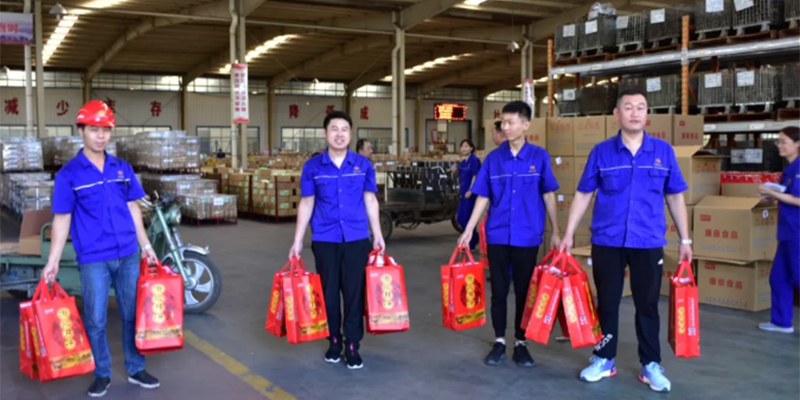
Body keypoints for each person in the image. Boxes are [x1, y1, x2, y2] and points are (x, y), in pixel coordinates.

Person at [558, 88, 691, 393]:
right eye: (628, 107)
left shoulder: (663, 151)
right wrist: (567, 234)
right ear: (616, 114)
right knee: (607, 302)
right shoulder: (601, 152)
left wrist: (686, 239)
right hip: (608, 240)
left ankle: (651, 364)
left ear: (647, 114)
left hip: (648, 241)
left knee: (647, 304)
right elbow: (583, 194)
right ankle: (604, 358)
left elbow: (675, 197)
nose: (635, 113)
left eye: (640, 107)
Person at [41, 100, 160, 398]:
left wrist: (145, 245)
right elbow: (62, 218)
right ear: (81, 131)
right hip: (94, 258)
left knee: (131, 314)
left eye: (105, 130)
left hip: (128, 254)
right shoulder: (69, 174)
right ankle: (102, 373)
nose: (101, 136)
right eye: (94, 129)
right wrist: (53, 261)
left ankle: (135, 368)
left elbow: (133, 208)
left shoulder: (122, 168)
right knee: (95, 319)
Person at [457, 101, 560, 368]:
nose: (506, 127)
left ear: (526, 125)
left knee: (525, 291)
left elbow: (548, 195)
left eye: (511, 122)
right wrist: (468, 229)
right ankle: (500, 340)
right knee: (499, 291)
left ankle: (521, 342)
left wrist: (557, 232)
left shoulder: (539, 157)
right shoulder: (493, 159)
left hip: (527, 235)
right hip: (498, 234)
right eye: (503, 122)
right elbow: (483, 196)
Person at [289, 110, 386, 370]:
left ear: (351, 134)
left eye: (344, 129)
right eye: (334, 129)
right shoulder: (313, 167)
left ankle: (352, 344)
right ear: (325, 133)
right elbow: (307, 203)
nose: (339, 134)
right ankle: (334, 341)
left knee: (354, 294)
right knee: (329, 293)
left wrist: (377, 234)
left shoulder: (363, 165)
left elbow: (370, 200)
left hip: (356, 238)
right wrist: (297, 240)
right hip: (325, 239)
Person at [758, 126, 800, 334]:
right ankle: (781, 321)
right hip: (787, 232)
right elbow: (787, 194)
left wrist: (773, 193)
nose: (779, 146)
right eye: (778, 142)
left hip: (796, 232)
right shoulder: (790, 169)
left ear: (797, 144)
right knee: (779, 277)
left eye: (784, 142)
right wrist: (772, 196)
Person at [450, 139, 481, 250]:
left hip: (470, 193)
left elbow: (475, 176)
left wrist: (471, 190)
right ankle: (475, 238)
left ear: (471, 148)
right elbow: (460, 174)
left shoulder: (474, 160)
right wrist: (454, 168)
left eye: (466, 146)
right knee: (460, 218)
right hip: (463, 193)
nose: (464, 148)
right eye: (462, 146)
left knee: (467, 218)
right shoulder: (463, 163)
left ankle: (470, 243)